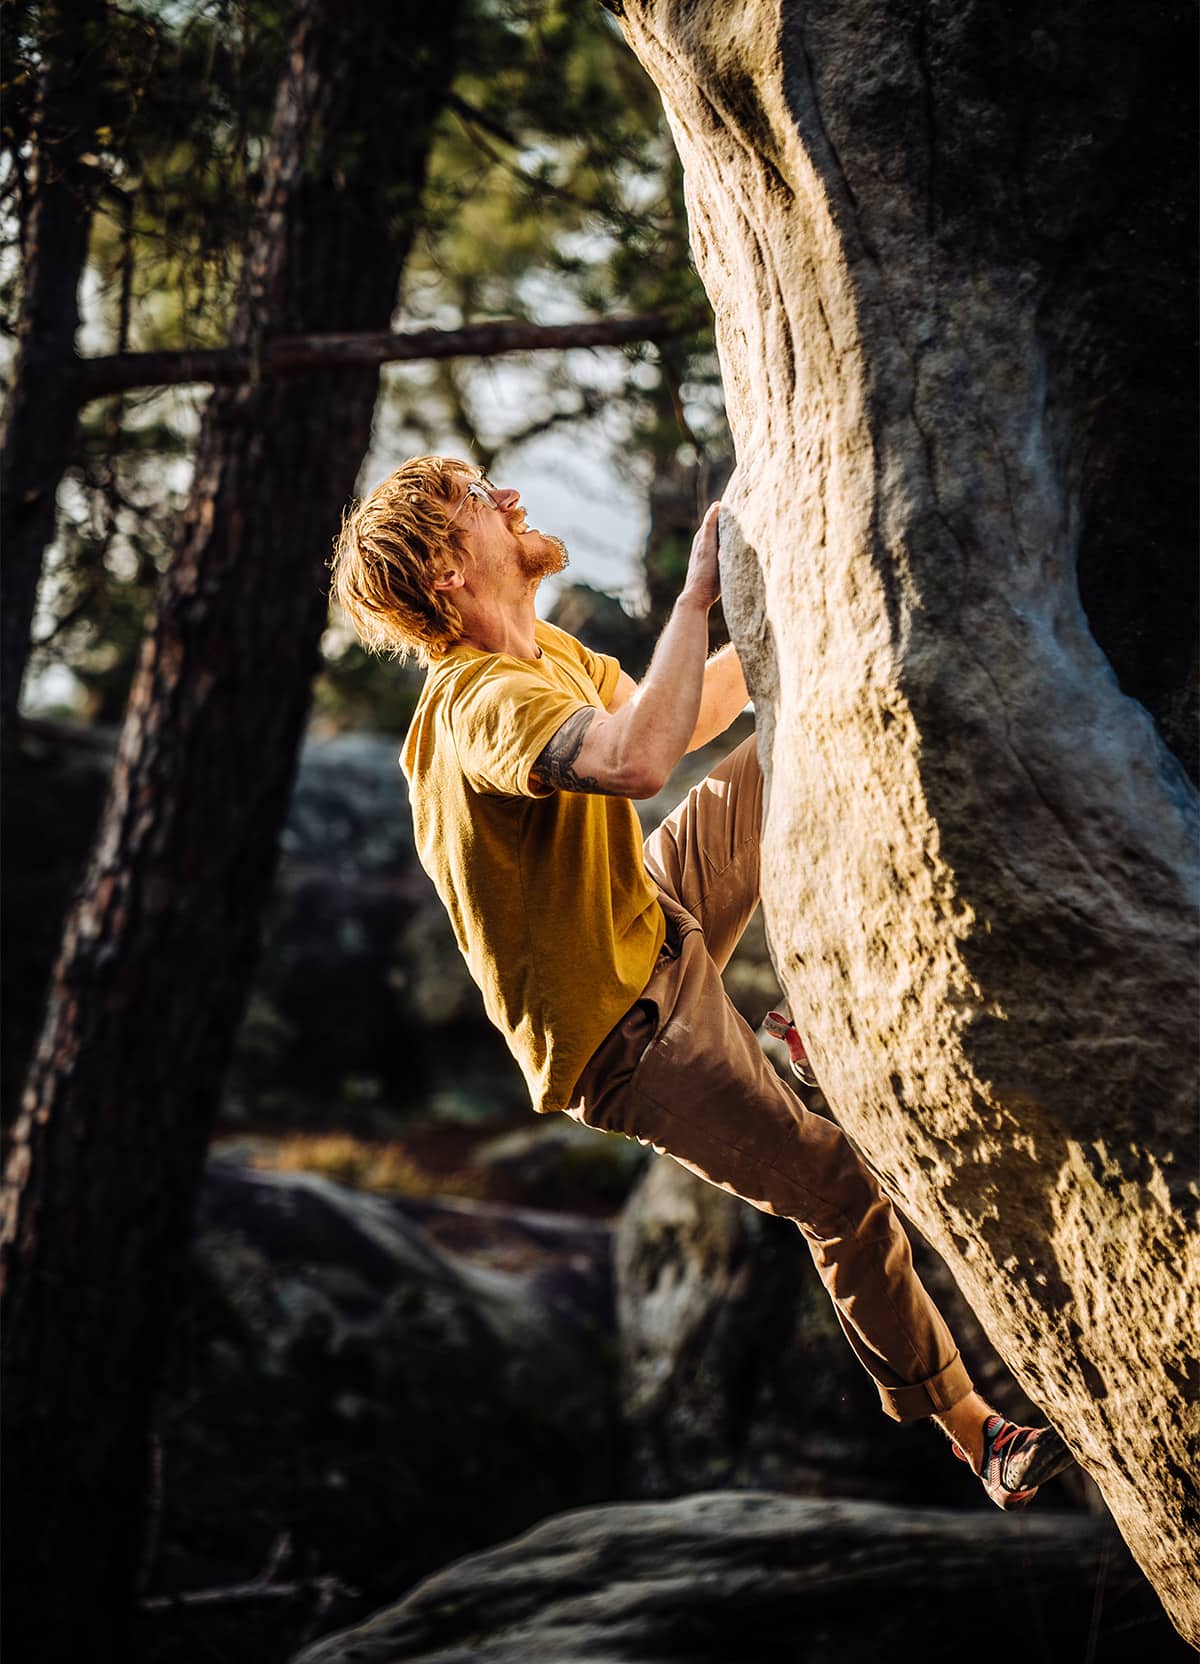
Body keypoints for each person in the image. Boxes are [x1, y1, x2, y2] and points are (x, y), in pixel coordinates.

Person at [330, 454, 1075, 1510]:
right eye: (471, 500)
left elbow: (687, 707)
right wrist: (692, 593)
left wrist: (790, 618)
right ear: (446, 573)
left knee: (793, 750)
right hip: (626, 1034)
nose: (507, 498)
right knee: (837, 1189)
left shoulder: (548, 656)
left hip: (648, 911)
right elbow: (638, 761)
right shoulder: (478, 702)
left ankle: (845, 1010)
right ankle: (974, 1430)